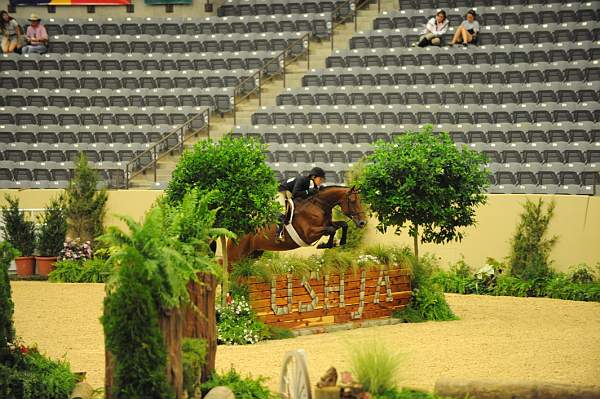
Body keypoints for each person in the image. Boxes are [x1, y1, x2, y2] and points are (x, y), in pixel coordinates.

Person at [275, 167, 327, 241]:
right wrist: (308, 192)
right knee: (282, 210)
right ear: (313, 177)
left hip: (289, 192)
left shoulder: (313, 185)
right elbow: (295, 194)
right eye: (320, 179)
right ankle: (279, 234)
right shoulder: (302, 180)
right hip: (281, 190)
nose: (321, 181)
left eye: (322, 180)